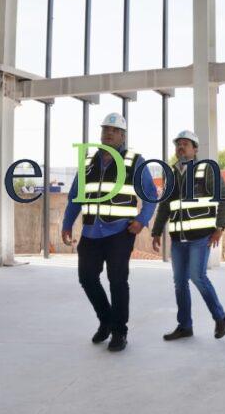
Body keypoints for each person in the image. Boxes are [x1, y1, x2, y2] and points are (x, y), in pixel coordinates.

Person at [62, 112, 157, 352]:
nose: (108, 133)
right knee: (87, 278)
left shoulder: (134, 161)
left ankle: (119, 332)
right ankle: (105, 320)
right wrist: (66, 224)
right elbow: (75, 196)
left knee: (117, 281)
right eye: (105, 129)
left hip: (119, 233)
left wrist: (141, 220)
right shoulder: (88, 160)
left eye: (114, 130)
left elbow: (151, 195)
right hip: (91, 232)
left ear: (123, 135)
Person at [151, 130, 225, 341]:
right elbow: (165, 206)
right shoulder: (172, 174)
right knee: (179, 282)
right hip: (178, 239)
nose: (181, 147)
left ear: (195, 149)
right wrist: (156, 231)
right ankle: (185, 325)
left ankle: (220, 316)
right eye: (178, 144)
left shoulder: (207, 171)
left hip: (200, 237)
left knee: (197, 276)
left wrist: (220, 227)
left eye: (186, 144)